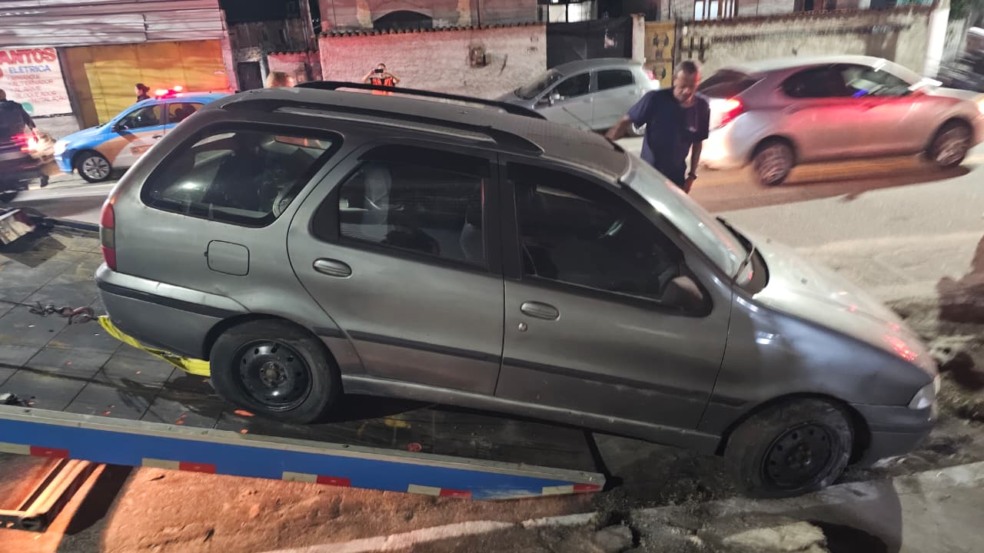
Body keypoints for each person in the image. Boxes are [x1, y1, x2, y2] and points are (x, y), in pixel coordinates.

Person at [605, 60, 710, 194]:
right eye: (683, 86)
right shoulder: (655, 99)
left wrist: (692, 175)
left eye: (692, 86)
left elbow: (698, 142)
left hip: (676, 179)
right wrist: (604, 145)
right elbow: (625, 121)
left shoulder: (702, 107)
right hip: (649, 176)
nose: (687, 91)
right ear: (674, 80)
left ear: (698, 83)